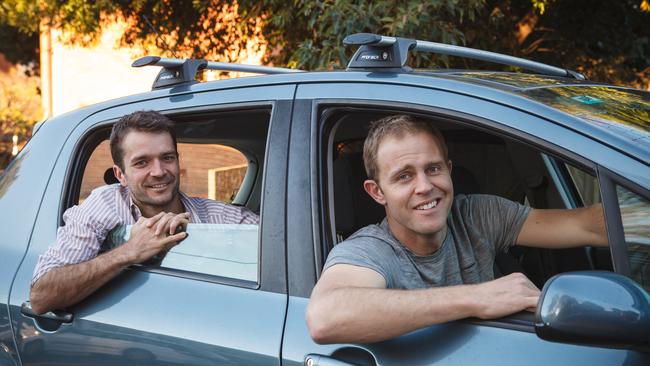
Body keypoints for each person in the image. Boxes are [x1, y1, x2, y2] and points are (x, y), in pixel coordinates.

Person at [306, 114, 606, 344]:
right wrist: (478, 297)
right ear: (377, 192)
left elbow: (589, 226)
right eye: (404, 177)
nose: (425, 187)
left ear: (449, 170)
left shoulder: (476, 214)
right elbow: (325, 317)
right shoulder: (370, 250)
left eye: (433, 169)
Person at [29, 110, 258, 314]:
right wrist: (129, 251)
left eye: (167, 158)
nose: (159, 172)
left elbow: (281, 244)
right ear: (120, 175)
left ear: (178, 161)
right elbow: (41, 297)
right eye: (142, 163)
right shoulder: (104, 205)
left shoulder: (219, 217)